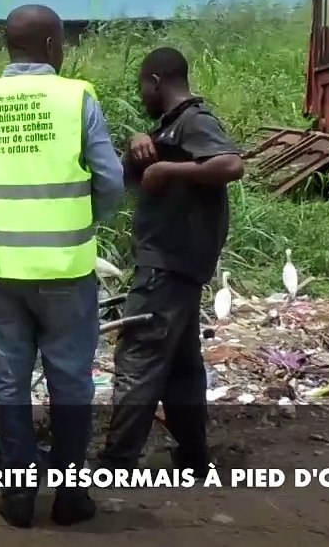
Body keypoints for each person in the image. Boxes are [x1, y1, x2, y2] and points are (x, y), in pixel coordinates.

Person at [0, 4, 125, 529]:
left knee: (11, 382)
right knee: (70, 384)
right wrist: (86, 222)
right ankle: (70, 498)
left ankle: (18, 497)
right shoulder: (75, 97)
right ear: (50, 46)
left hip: (2, 269)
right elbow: (110, 181)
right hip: (66, 266)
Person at [99, 47, 245, 475]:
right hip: (178, 265)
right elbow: (132, 176)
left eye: (143, 86)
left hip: (168, 264)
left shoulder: (195, 120)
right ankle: (194, 458)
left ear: (156, 82)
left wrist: (169, 173)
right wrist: (137, 143)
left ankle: (115, 464)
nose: (142, 93)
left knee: (138, 358)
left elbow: (230, 164)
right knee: (181, 367)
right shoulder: (171, 129)